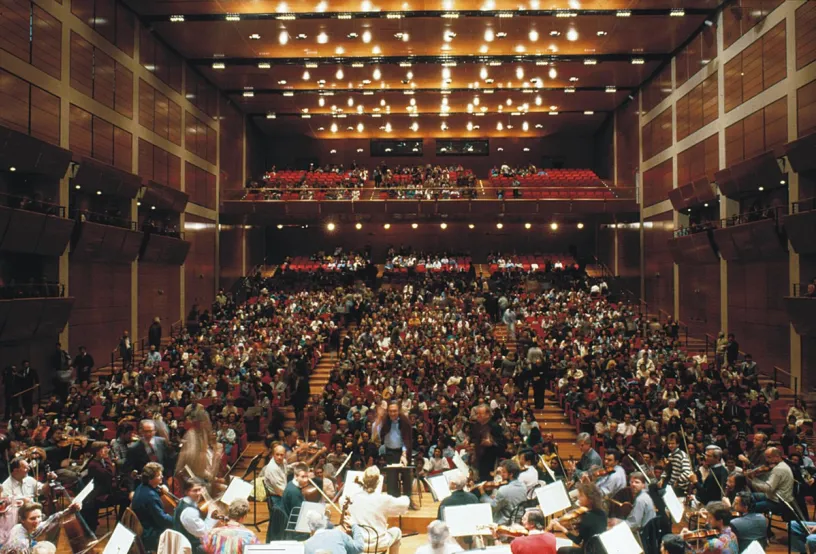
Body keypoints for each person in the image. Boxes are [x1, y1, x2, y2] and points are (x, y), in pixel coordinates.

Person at [347, 465, 409, 554]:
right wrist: (406, 496)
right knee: (397, 532)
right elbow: (405, 504)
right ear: (378, 482)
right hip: (378, 544)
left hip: (358, 543)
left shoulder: (353, 498)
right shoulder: (384, 499)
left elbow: (342, 502)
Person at [0, 501, 81, 554]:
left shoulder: (21, 526)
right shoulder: (21, 544)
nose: (37, 521)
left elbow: (47, 522)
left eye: (39, 517)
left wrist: (69, 510)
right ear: (22, 520)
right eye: (32, 518)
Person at [547, 483, 607, 554]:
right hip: (600, 550)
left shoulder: (586, 518)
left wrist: (561, 528)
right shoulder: (603, 513)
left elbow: (577, 541)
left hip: (587, 551)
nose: (578, 498)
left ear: (590, 499)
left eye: (581, 496)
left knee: (561, 550)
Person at [373, 402, 415, 506]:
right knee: (392, 476)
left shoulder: (404, 421)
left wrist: (404, 454)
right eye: (390, 411)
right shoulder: (384, 421)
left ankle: (408, 500)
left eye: (395, 411)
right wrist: (379, 417)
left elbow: (406, 439)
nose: (393, 413)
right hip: (390, 451)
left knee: (406, 475)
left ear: (399, 411)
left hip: (403, 451)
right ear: (388, 411)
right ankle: (393, 501)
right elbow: (375, 434)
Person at [130, 462, 174, 552]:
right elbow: (162, 520)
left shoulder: (141, 487)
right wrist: (177, 520)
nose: (162, 477)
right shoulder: (151, 496)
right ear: (150, 479)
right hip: (150, 534)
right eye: (159, 475)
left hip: (144, 527)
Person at [174, 477, 218, 554]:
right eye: (195, 491)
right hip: (191, 548)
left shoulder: (183, 500)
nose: (198, 493)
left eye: (199, 490)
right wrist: (211, 516)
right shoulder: (189, 512)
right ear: (187, 492)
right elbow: (204, 532)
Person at [477, 459, 527, 526]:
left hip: (504, 522)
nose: (501, 474)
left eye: (504, 472)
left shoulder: (504, 489)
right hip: (517, 519)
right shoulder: (523, 486)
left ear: (511, 474)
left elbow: (492, 507)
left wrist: (482, 493)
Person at [747, 447, 794, 515]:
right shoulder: (782, 465)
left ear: (777, 457)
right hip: (774, 497)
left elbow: (767, 488)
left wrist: (751, 481)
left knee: (750, 507)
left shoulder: (778, 469)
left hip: (777, 502)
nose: (766, 460)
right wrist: (754, 478)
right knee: (749, 496)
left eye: (769, 457)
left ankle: (755, 522)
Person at [125, 419, 172, 487]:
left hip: (162, 480)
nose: (148, 434)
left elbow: (168, 460)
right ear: (141, 431)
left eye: (151, 431)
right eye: (145, 431)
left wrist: (169, 477)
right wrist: (131, 490)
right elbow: (128, 471)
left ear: (155, 431)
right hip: (144, 483)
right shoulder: (134, 448)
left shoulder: (162, 442)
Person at [470, 404, 507, 482]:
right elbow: (474, 439)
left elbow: (503, 446)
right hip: (478, 458)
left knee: (487, 482)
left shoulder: (495, 427)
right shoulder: (476, 425)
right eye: (477, 414)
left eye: (480, 414)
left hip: (490, 460)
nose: (478, 416)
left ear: (487, 415)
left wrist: (492, 443)